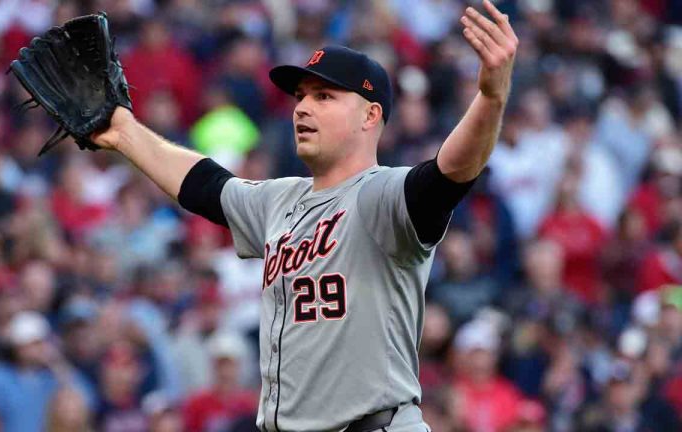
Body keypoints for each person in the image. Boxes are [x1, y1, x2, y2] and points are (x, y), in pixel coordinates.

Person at [88, 1, 518, 429]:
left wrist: (490, 97)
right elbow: (204, 186)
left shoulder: (383, 196)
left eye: (324, 96)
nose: (302, 108)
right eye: (300, 96)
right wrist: (125, 132)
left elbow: (451, 172)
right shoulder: (279, 200)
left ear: (370, 115)